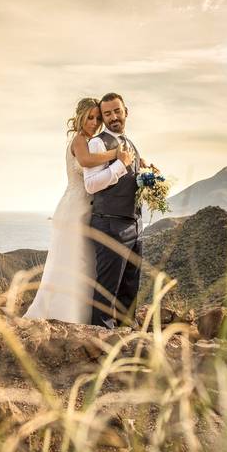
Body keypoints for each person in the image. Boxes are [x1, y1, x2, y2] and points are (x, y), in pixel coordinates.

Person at [22, 98, 132, 323]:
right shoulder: (80, 141)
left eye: (98, 118)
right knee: (69, 261)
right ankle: (59, 314)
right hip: (73, 209)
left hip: (89, 210)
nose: (94, 122)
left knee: (85, 262)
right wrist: (117, 156)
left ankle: (81, 314)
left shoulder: (94, 141)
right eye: (90, 118)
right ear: (80, 117)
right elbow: (86, 161)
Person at [83, 92, 143, 328]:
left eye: (117, 111)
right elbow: (91, 184)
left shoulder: (130, 143)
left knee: (131, 285)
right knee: (108, 291)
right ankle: (100, 342)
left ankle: (128, 335)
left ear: (126, 111)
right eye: (107, 113)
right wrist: (120, 165)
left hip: (134, 223)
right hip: (109, 225)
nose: (113, 116)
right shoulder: (97, 143)